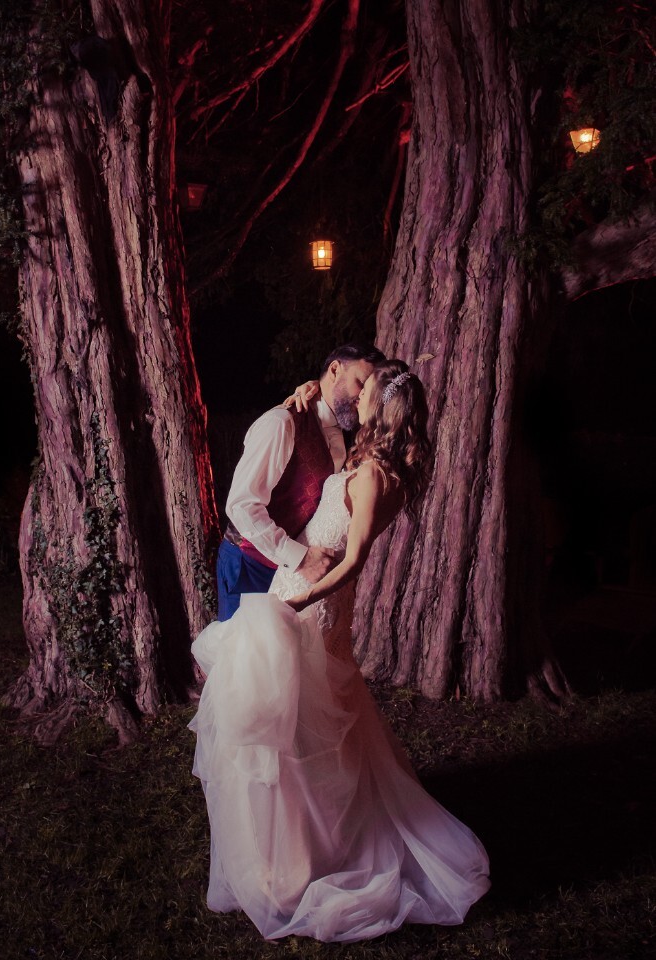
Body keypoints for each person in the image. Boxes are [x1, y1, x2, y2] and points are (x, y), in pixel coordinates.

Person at [189, 361, 491, 943]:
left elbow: (351, 560)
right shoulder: (360, 452)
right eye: (360, 380)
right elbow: (319, 448)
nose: (360, 391)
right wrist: (299, 398)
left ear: (384, 410)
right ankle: (284, 848)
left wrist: (296, 605)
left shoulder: (376, 473)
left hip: (312, 598)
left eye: (368, 389)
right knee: (284, 720)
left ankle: (307, 853)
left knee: (299, 724)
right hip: (299, 585)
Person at [216, 342, 386, 620]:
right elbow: (241, 506)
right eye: (360, 383)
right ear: (334, 370)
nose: (362, 397)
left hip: (289, 574)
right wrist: (300, 558)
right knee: (244, 660)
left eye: (369, 391)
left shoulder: (342, 438)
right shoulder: (282, 423)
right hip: (248, 565)